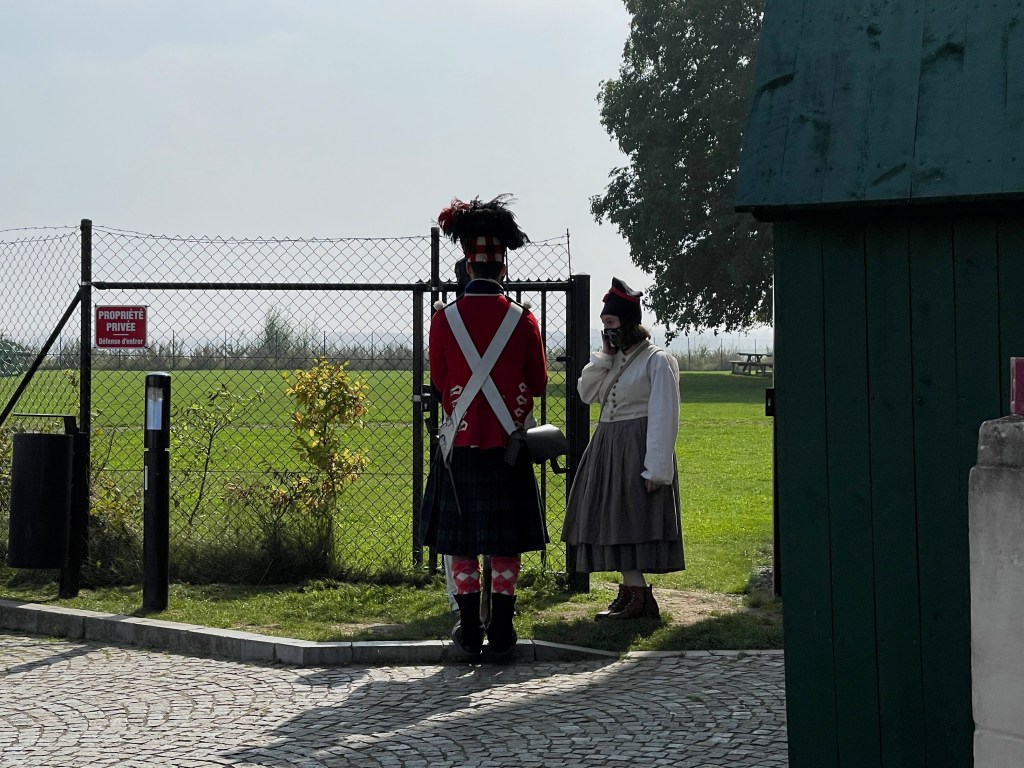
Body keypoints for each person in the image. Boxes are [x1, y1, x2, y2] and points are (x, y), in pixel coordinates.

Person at [420, 194, 549, 661]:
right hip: (509, 447)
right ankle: (504, 631)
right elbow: (538, 383)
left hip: (460, 445)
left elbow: (440, 381)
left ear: (468, 265)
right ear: (503, 268)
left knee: (461, 543)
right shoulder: (523, 319)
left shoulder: (443, 320)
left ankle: (470, 630)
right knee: (505, 541)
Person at [561, 277, 685, 620]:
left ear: (629, 323)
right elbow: (587, 394)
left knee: (633, 521)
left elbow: (664, 416)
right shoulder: (612, 359)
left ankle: (639, 597)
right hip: (608, 447)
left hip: (637, 449)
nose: (608, 330)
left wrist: (656, 469)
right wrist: (604, 356)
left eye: (612, 322)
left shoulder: (657, 360)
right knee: (611, 520)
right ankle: (633, 593)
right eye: (604, 324)